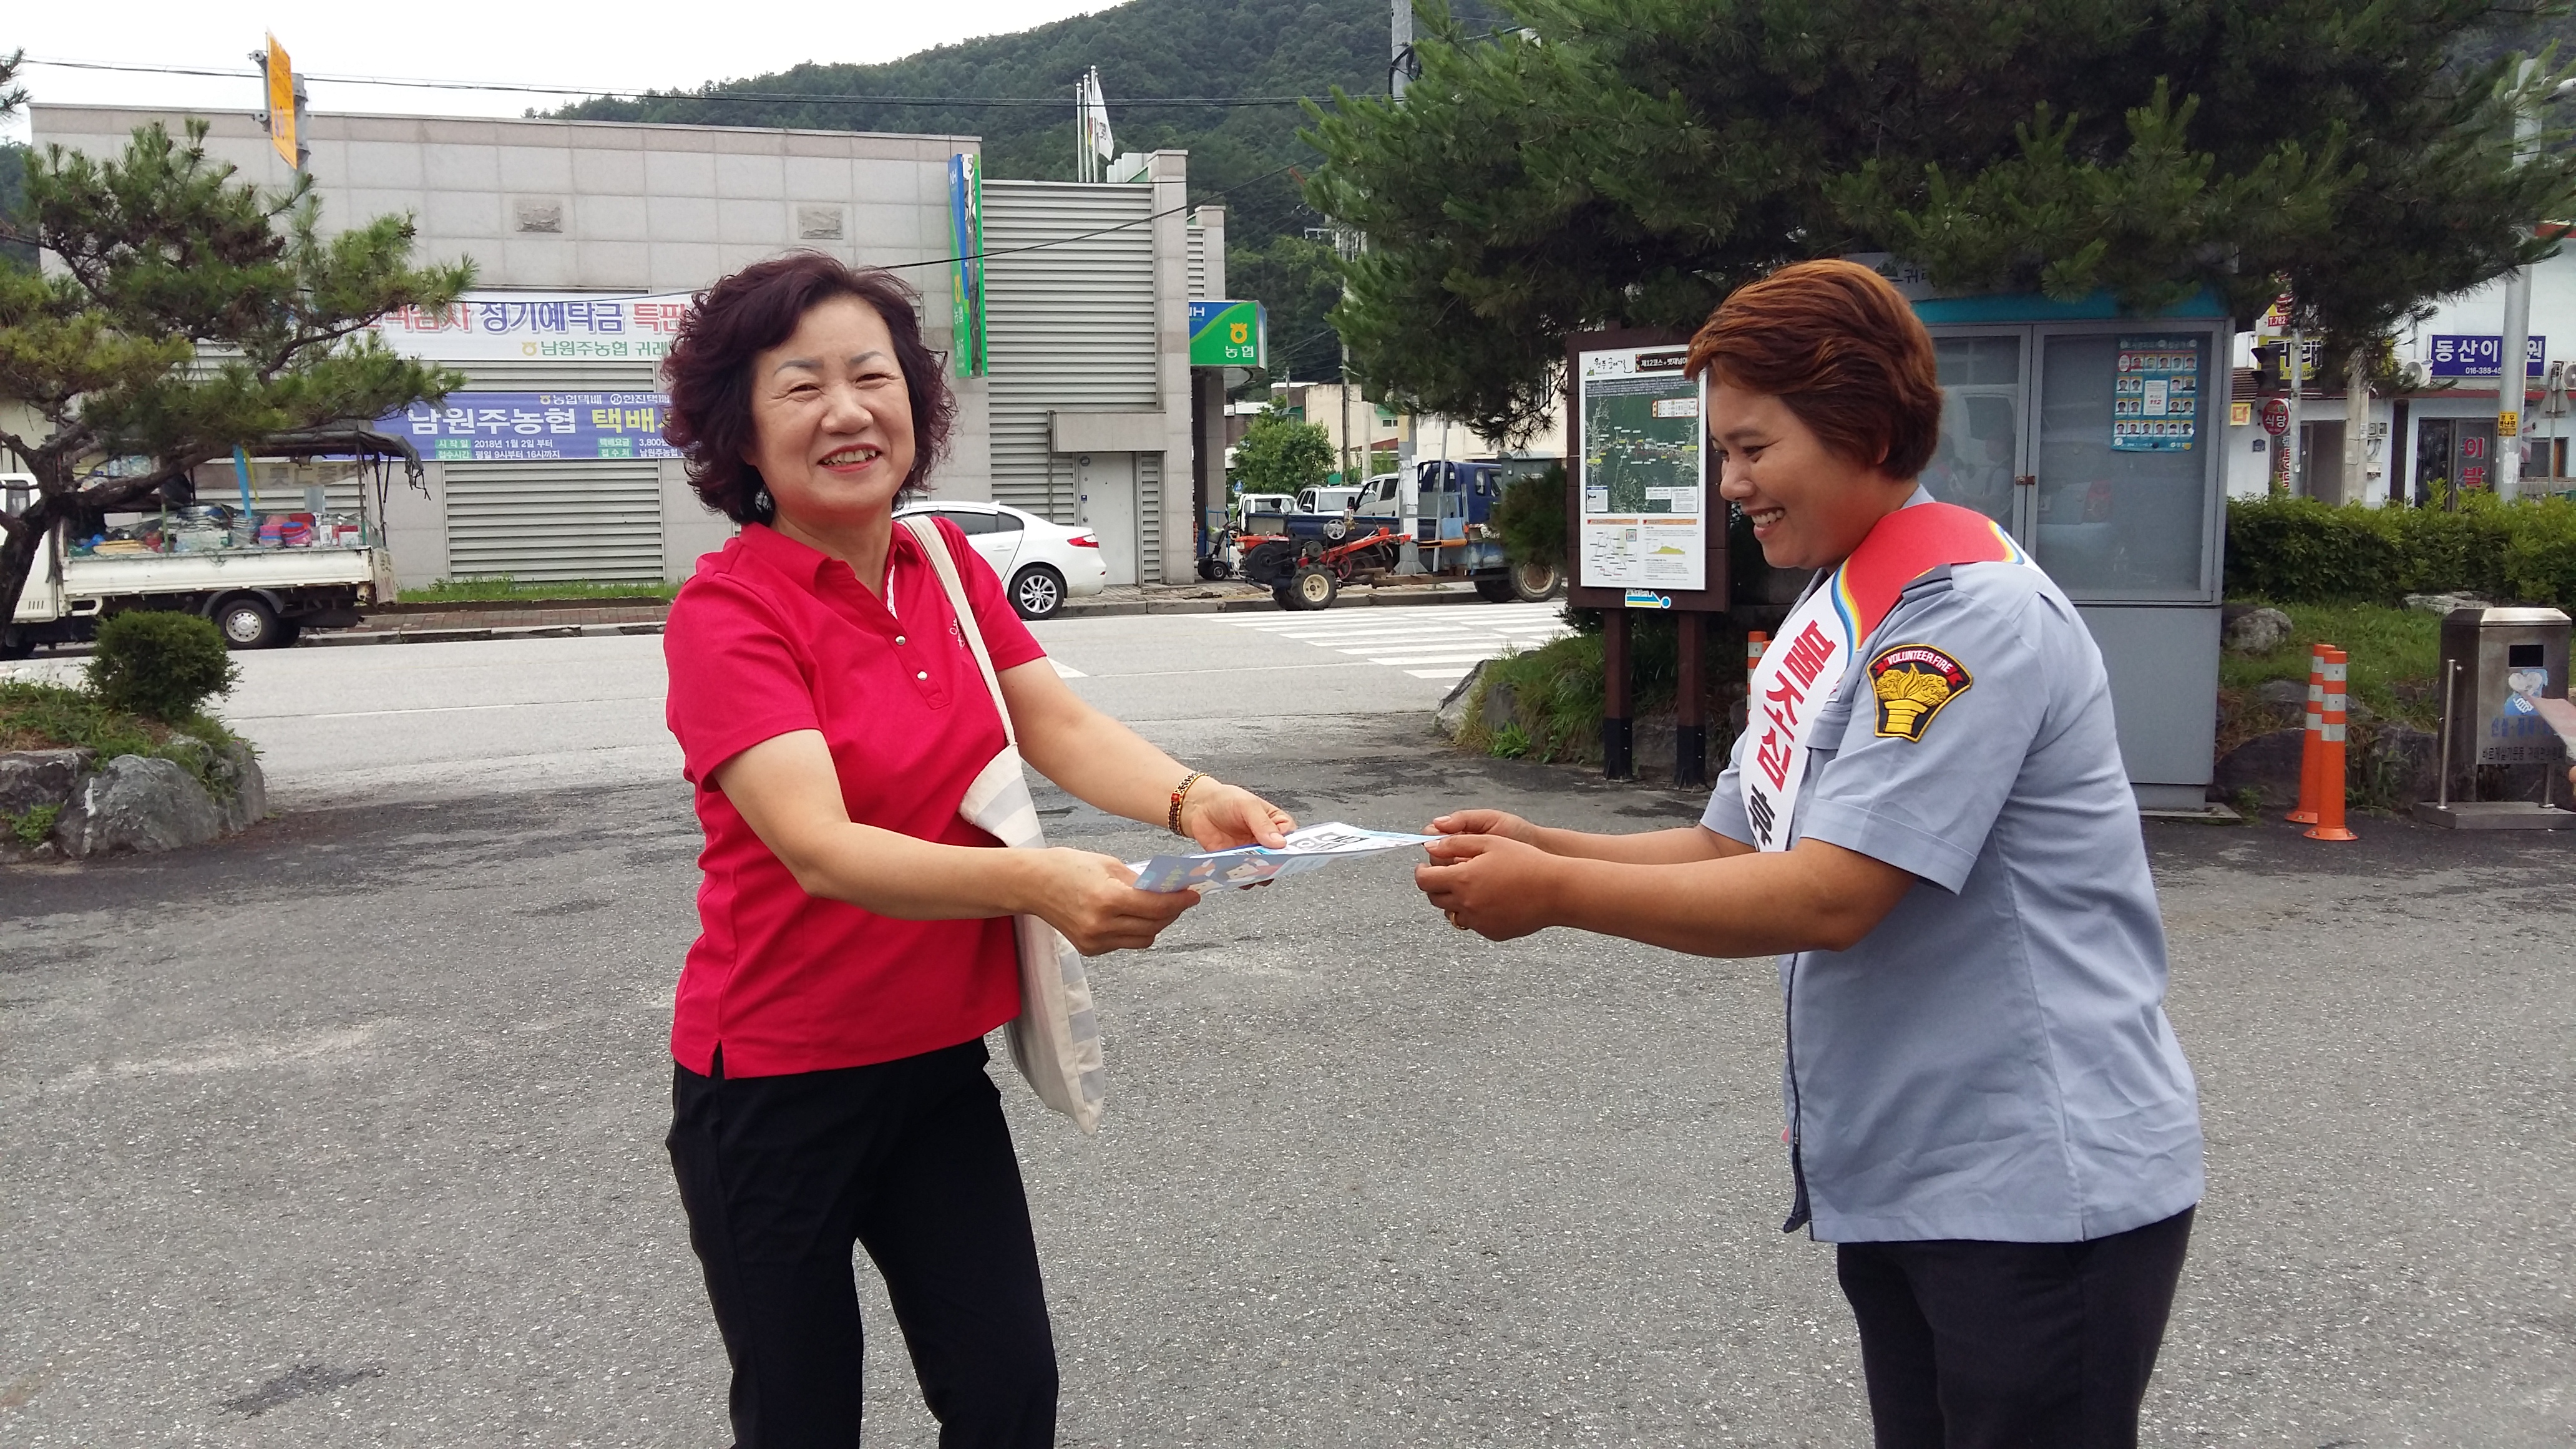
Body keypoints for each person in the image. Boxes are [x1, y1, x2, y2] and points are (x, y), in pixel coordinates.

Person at [1414, 259, 2204, 1448]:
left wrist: (1557, 893)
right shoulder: (1840, 608)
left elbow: (1835, 893)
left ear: (1865, 427)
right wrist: (1542, 841)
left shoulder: (1964, 615)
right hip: (1914, 1173)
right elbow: (1727, 842)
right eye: (1722, 452)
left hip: (2039, 1186)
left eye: (1753, 448)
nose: (1730, 483)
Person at [655, 253, 1294, 1448]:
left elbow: (1056, 724)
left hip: (936, 1071)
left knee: (1006, 1395)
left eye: (872, 376)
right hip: (774, 1088)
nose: (847, 411)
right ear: (739, 429)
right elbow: (821, 848)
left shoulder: (943, 567)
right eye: (801, 386)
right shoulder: (730, 611)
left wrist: (1193, 797)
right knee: (800, 1420)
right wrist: (1042, 882)